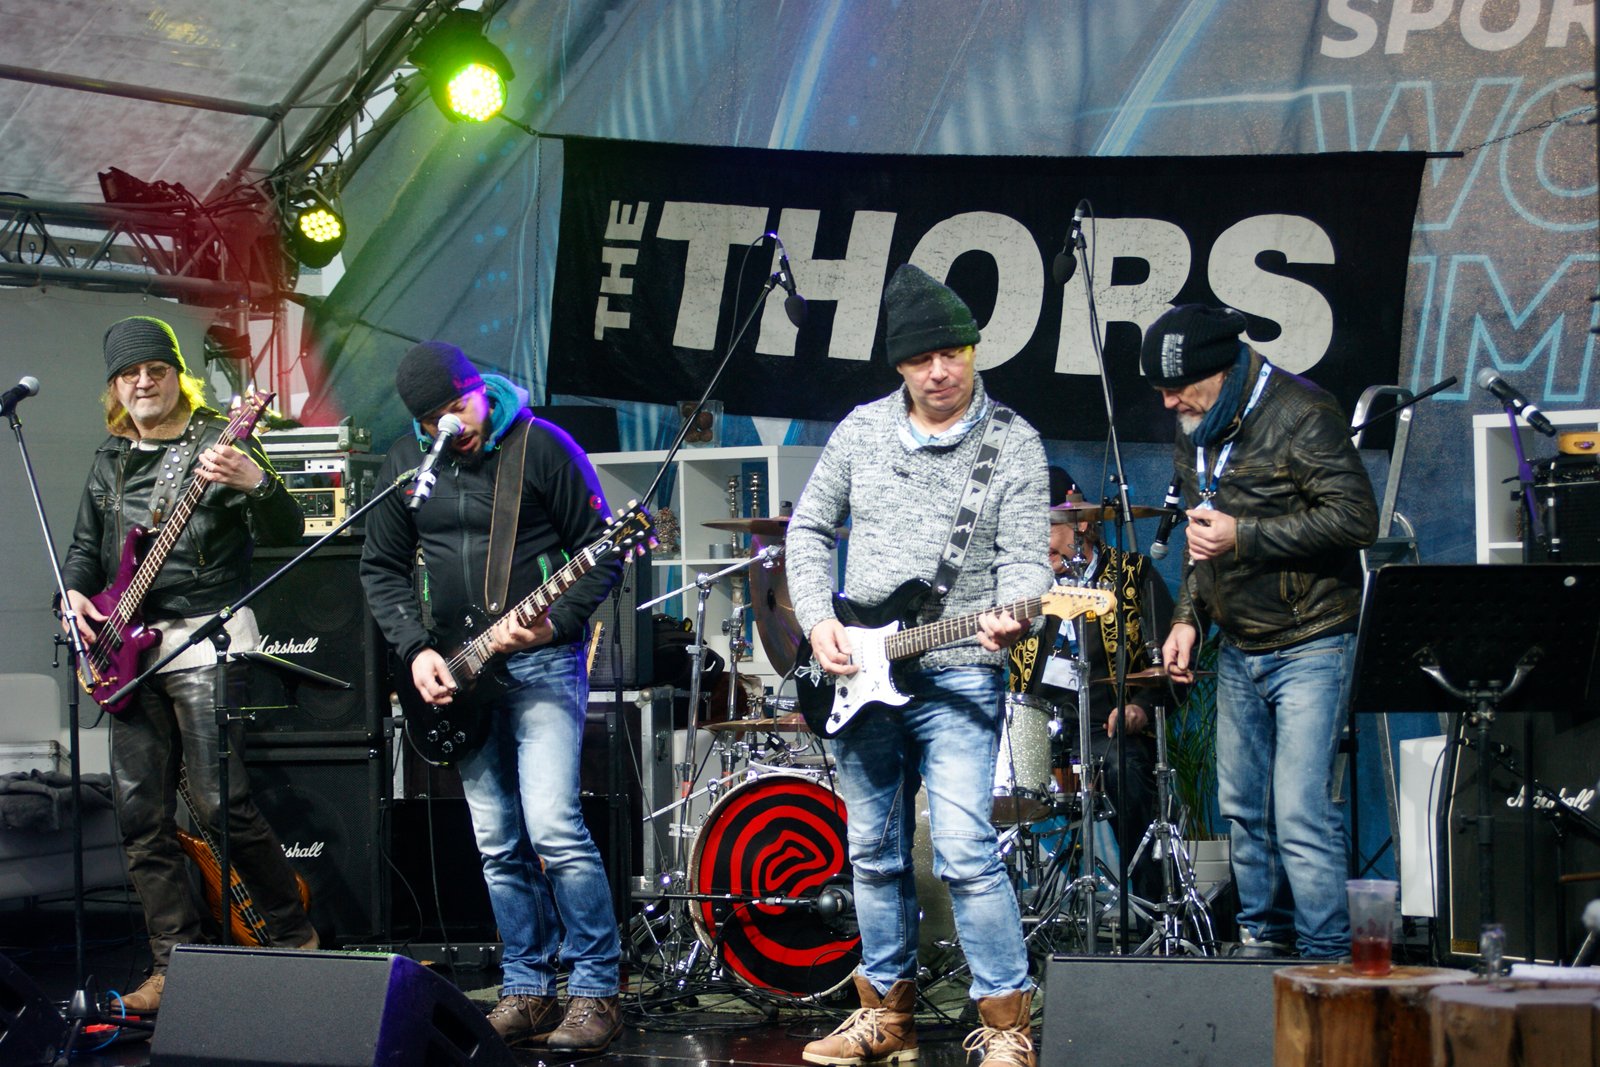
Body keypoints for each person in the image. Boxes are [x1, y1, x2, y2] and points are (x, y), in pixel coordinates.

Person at [786, 264, 1052, 1067]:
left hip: (962, 671)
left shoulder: (1013, 441)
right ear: (899, 364)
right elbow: (808, 529)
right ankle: (884, 1015)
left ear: (973, 350)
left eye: (953, 353)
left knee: (965, 848)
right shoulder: (861, 430)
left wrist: (1016, 611)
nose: (939, 371)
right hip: (860, 672)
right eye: (921, 358)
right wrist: (819, 619)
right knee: (872, 851)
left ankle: (1005, 1024)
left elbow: (1026, 562)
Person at [358, 342, 625, 1051]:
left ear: (479, 389)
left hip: (542, 662)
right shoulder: (409, 465)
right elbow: (380, 566)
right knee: (498, 842)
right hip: (457, 672)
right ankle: (528, 988)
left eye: (460, 406)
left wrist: (554, 626)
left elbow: (603, 551)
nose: (455, 424)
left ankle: (596, 988)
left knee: (554, 828)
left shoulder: (544, 447)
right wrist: (415, 649)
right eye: (434, 419)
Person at [60, 316, 317, 1013]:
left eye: (156, 369)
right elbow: (84, 551)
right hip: (125, 649)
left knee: (218, 802)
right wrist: (73, 595)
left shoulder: (219, 441)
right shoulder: (110, 461)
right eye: (129, 374)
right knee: (140, 814)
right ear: (115, 388)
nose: (143, 382)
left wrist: (259, 483)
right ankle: (173, 964)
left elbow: (288, 532)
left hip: (206, 635)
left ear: (179, 375)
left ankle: (294, 936)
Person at [1144, 304, 1377, 960]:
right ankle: (1264, 941)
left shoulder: (1302, 412)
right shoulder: (1198, 428)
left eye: (1178, 387)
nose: (1168, 403)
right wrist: (1187, 617)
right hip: (1240, 644)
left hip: (1312, 638)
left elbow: (1357, 518)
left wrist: (1243, 535)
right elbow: (1201, 537)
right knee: (1244, 808)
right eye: (1160, 390)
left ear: (1222, 371)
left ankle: (1327, 958)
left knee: (1301, 810)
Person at [1009, 474, 1174, 911]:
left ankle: (1152, 909)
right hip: (1032, 733)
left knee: (1126, 769)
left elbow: (1170, 664)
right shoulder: (1021, 584)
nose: (1034, 543)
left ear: (1081, 523)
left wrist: (1140, 709)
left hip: (1107, 730)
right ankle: (1004, 918)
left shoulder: (1134, 576)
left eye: (1044, 528)